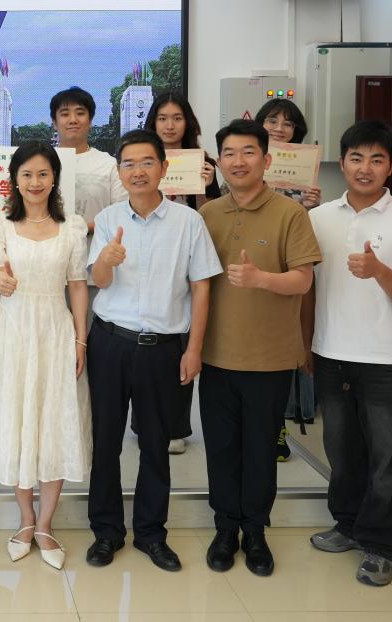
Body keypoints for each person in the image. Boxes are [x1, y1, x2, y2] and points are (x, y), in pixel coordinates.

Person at [304, 121, 392, 587]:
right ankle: (348, 524)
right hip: (331, 352)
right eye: (357, 158)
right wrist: (306, 345)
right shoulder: (319, 218)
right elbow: (307, 290)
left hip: (386, 358)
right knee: (342, 451)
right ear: (342, 163)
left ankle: (381, 545)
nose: (365, 168)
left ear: (391, 167)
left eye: (377, 159)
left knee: (385, 458)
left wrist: (379, 270)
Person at [85, 129, 221, 571]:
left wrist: (194, 349)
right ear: (119, 171)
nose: (138, 171)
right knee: (105, 441)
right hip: (110, 343)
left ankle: (150, 533)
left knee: (156, 444)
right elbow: (98, 282)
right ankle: (106, 531)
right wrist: (107, 260)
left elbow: (202, 288)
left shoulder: (188, 222)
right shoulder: (108, 218)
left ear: (164, 168)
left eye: (147, 162)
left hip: (163, 348)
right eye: (129, 164)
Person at [199, 119, 321, 577]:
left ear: (266, 159)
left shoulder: (291, 214)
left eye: (248, 152)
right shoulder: (208, 214)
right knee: (221, 448)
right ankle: (224, 529)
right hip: (215, 354)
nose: (238, 161)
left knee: (260, 450)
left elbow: (303, 280)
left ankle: (255, 532)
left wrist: (260, 278)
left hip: (269, 358)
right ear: (219, 161)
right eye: (229, 153)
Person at [0, 141, 92, 570]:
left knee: (54, 421)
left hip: (55, 331)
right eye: (27, 175)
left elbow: (77, 285)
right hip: (13, 332)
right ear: (14, 181)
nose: (35, 182)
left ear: (54, 178)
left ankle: (46, 525)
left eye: (43, 174)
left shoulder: (72, 227)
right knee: (17, 420)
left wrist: (80, 340)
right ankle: (24, 519)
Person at [143, 91, 218, 455]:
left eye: (176, 118)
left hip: (187, 261)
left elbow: (214, 218)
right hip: (146, 259)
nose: (169, 125)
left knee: (180, 343)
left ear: (187, 122)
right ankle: (143, 422)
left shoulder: (204, 162)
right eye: (162, 118)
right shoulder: (141, 160)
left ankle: (175, 425)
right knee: (145, 342)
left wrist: (205, 187)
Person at [254, 96, 320, 461]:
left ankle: (278, 423)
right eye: (272, 121)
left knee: (284, 347)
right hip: (251, 268)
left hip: (290, 270)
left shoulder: (303, 172)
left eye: (288, 123)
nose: (280, 128)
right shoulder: (243, 164)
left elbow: (305, 234)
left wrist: (309, 208)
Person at [53, 86, 127, 236]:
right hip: (45, 249)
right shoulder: (38, 163)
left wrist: (80, 229)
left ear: (90, 121)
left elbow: (122, 214)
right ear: (54, 122)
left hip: (97, 249)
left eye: (80, 113)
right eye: (65, 114)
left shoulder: (109, 165)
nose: (73, 120)